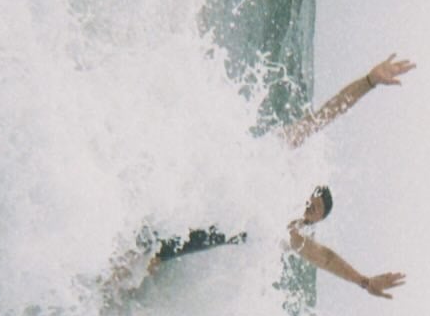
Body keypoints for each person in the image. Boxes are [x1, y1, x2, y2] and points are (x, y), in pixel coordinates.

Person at [144, 54, 415, 300]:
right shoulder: (279, 155)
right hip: (188, 185)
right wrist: (369, 82)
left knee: (136, 265)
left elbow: (326, 258)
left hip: (174, 242)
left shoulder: (282, 229)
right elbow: (326, 114)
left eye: (312, 213)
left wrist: (364, 282)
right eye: (312, 202)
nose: (308, 208)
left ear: (308, 222)